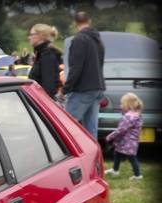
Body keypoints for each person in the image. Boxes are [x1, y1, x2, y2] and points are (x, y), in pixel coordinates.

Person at [62, 11, 105, 139]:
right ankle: (94, 159)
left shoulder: (79, 39)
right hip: (97, 87)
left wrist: (65, 89)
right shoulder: (98, 40)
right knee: (91, 131)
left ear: (75, 23)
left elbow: (76, 68)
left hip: (83, 89)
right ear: (89, 21)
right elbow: (100, 65)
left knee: (66, 126)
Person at [104, 93, 144, 180]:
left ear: (128, 105)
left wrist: (109, 137)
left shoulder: (128, 117)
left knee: (132, 157)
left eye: (122, 104)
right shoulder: (136, 115)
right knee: (117, 153)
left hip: (127, 141)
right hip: (129, 140)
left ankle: (137, 175)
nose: (120, 106)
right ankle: (115, 170)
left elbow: (120, 130)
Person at [28, 24, 63, 99]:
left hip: (44, 103)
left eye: (31, 34)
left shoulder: (47, 56)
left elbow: (49, 87)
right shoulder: (41, 53)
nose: (29, 37)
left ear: (41, 36)